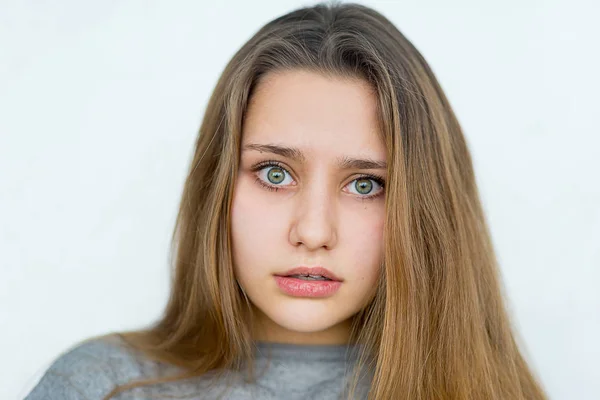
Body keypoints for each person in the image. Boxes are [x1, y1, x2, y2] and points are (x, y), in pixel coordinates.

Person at [24, 1, 548, 399]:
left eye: (366, 184)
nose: (314, 232)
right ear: (218, 187)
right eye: (275, 174)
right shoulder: (101, 387)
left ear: (425, 212)